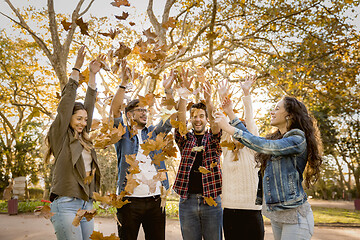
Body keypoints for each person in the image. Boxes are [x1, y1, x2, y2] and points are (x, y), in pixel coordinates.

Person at [214, 94, 322, 240]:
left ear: (289, 115)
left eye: (277, 109)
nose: (272, 112)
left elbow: (264, 146)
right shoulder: (277, 139)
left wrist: (228, 127)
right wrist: (231, 113)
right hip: (278, 218)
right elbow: (253, 139)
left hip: (296, 218)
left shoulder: (297, 139)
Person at [110, 60, 174, 240]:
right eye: (140, 110)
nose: (144, 113)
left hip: (155, 201)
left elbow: (169, 119)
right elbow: (114, 111)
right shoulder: (122, 133)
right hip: (129, 201)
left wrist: (168, 90)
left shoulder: (153, 132)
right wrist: (123, 83)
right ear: (129, 114)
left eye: (146, 110)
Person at [46, 46, 102, 239]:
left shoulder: (83, 137)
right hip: (66, 204)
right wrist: (77, 69)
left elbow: (90, 103)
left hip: (86, 204)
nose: (83, 123)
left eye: (85, 120)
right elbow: (67, 102)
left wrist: (93, 75)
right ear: (68, 118)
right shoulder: (60, 136)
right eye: (78, 119)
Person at [173, 71, 223, 240]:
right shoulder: (186, 139)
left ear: (206, 119)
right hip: (187, 202)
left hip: (211, 201)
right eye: (194, 116)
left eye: (201, 116)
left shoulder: (214, 139)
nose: (197, 119)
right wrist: (184, 93)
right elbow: (180, 120)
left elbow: (216, 126)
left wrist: (209, 102)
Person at [218, 77, 264, 240]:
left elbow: (250, 121)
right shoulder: (227, 150)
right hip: (230, 211)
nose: (236, 132)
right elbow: (221, 121)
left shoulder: (254, 150)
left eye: (240, 129)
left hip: (252, 211)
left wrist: (246, 93)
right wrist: (221, 97)